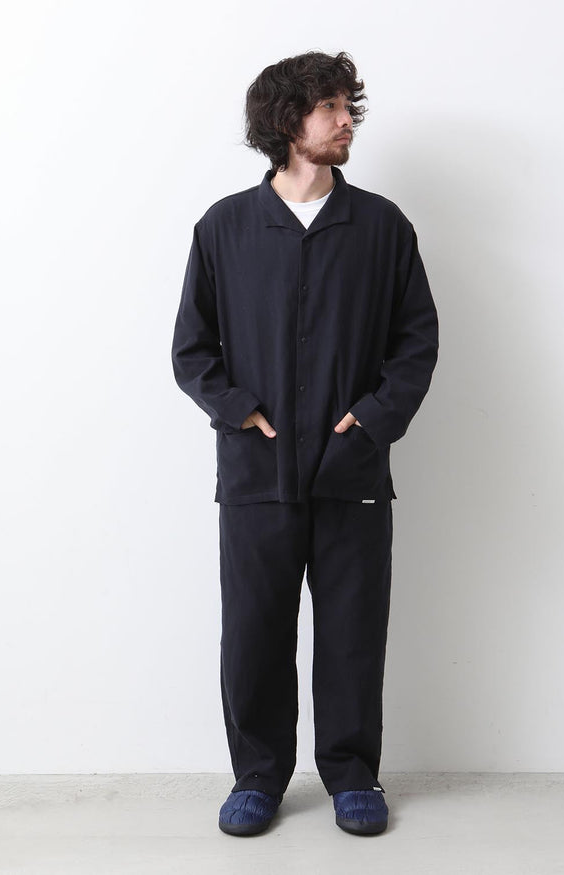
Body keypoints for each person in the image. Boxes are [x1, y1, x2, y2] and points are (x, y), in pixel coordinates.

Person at [171, 50, 439, 836]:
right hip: (256, 473)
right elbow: (192, 349)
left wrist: (374, 418)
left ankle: (353, 774)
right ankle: (258, 776)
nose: (347, 120)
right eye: (331, 108)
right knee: (254, 632)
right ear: (289, 120)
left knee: (353, 631)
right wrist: (239, 410)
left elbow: (417, 342)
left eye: (350, 107)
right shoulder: (225, 228)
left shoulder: (381, 227)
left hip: (352, 471)